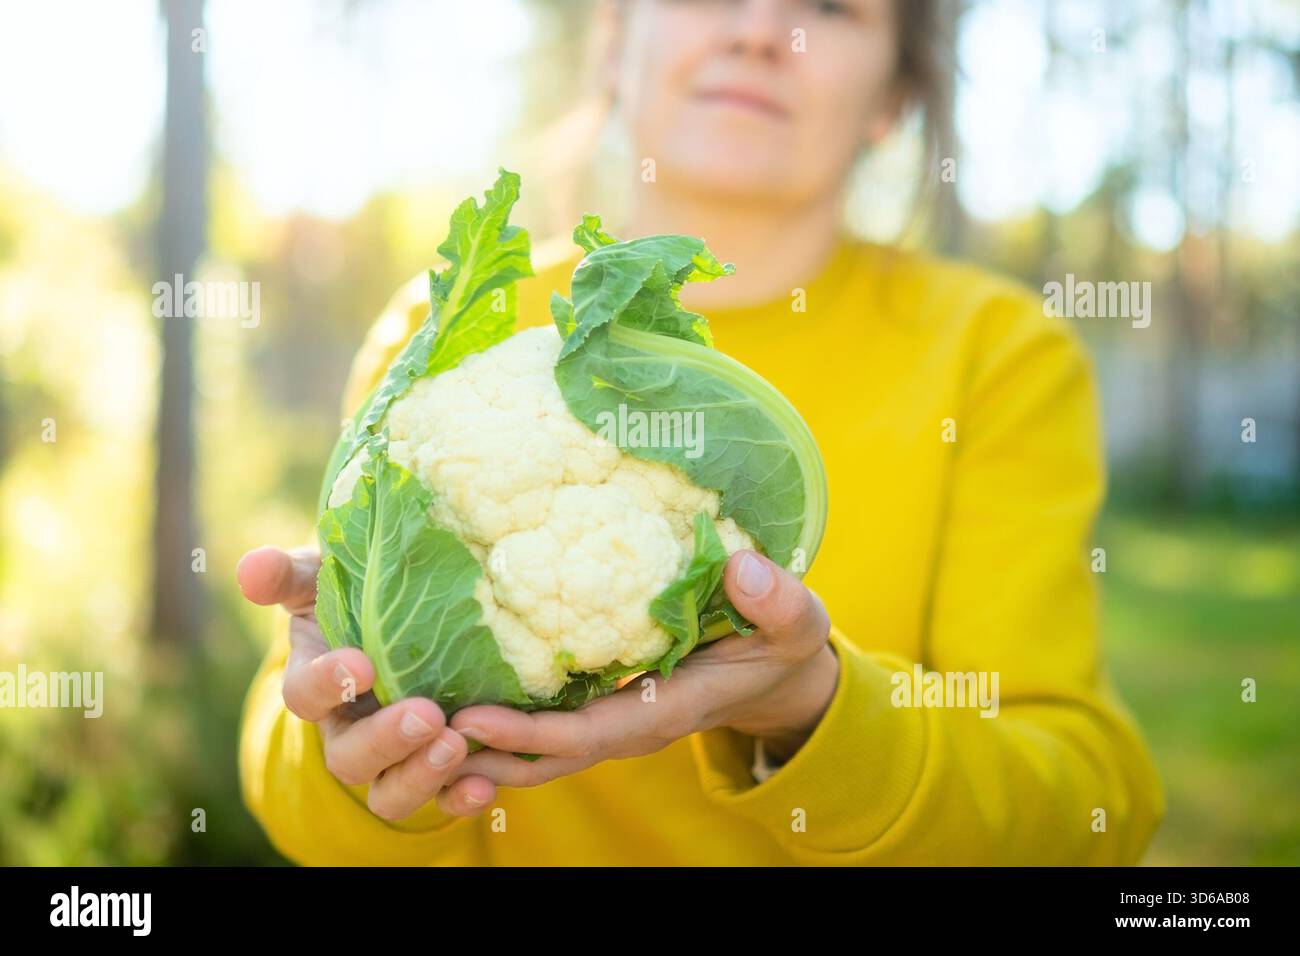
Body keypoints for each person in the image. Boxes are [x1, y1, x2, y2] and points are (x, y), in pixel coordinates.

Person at [236, 0, 1164, 865]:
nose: (761, 30)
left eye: (829, 5)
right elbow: (292, 777)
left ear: (894, 93)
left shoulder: (992, 355)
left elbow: (1090, 805)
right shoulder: (438, 333)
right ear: (617, 43)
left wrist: (813, 712)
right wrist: (360, 755)